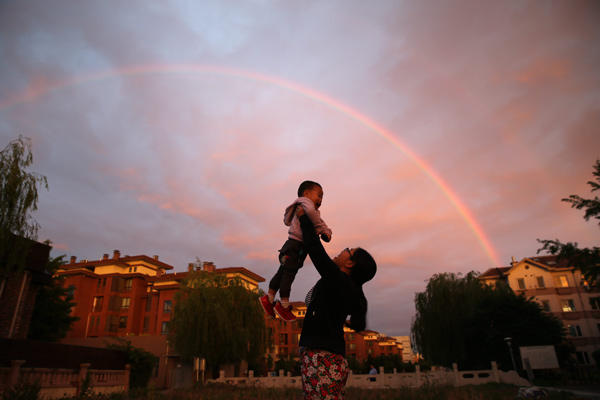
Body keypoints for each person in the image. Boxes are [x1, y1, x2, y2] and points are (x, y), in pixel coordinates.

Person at [296, 206, 377, 399]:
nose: (341, 251)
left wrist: (303, 218)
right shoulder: (354, 291)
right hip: (333, 359)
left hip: (321, 359)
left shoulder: (338, 280)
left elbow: (316, 251)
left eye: (347, 251)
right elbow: (358, 323)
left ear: (350, 264)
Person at [260, 180, 332, 322]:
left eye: (322, 197)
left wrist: (326, 231)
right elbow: (315, 218)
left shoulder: (311, 210)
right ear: (306, 194)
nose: (321, 200)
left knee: (282, 272)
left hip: (292, 246)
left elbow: (321, 222)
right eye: (319, 195)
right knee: (289, 274)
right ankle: (284, 305)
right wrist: (319, 228)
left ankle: (268, 298)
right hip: (295, 246)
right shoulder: (304, 203)